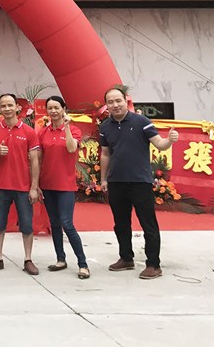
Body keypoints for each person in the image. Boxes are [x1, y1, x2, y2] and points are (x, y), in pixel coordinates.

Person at [100, 85, 178, 280]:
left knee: (148, 223)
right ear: (106, 105)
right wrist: (103, 179)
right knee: (121, 224)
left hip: (140, 182)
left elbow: (159, 144)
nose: (115, 105)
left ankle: (153, 264)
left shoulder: (141, 121)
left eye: (118, 100)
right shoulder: (105, 126)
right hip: (116, 182)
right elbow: (105, 154)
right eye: (110, 102)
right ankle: (126, 258)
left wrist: (169, 140)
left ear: (126, 101)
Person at [0, 93, 41, 275]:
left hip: (23, 186)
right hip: (1, 186)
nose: (7, 109)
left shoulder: (29, 132)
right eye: (3, 106)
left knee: (27, 225)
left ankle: (28, 259)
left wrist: (34, 187)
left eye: (10, 105)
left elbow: (34, 161)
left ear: (17, 107)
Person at [38, 95, 89, 279]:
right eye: (50, 108)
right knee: (54, 223)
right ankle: (61, 259)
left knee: (67, 223)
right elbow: (38, 158)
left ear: (63, 109)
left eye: (56, 108)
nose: (53, 111)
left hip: (65, 185)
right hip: (47, 184)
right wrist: (36, 184)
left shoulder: (74, 130)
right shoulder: (43, 132)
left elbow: (71, 148)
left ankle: (83, 264)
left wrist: (66, 127)